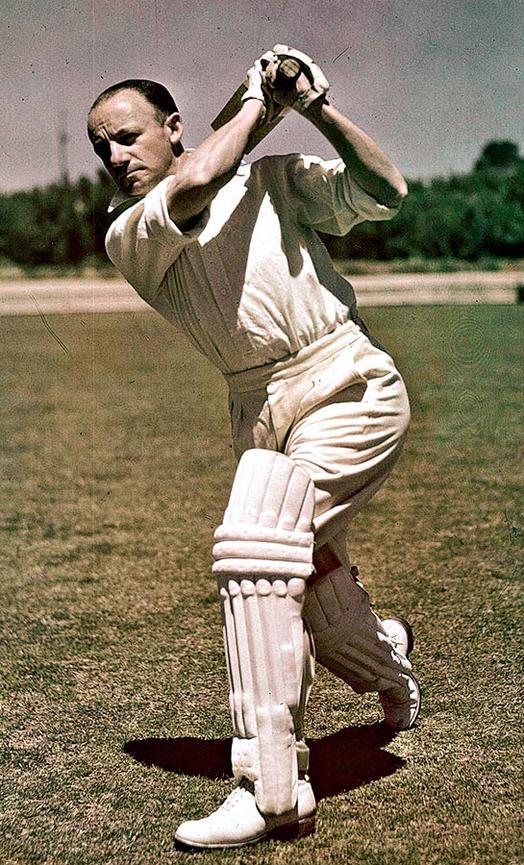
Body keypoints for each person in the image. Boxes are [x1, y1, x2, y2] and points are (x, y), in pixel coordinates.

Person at [87, 45, 421, 850]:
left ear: (173, 127)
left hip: (345, 380)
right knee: (304, 572)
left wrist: (311, 107)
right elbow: (196, 183)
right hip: (261, 408)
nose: (114, 157)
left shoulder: (273, 179)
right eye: (102, 146)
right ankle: (390, 668)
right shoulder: (132, 231)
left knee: (257, 545)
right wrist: (256, 104)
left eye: (128, 137)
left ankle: (272, 788)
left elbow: (384, 191)